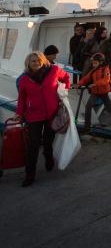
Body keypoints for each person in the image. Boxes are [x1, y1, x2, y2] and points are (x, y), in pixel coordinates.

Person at [16, 51, 71, 187]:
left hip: (52, 114)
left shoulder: (54, 70)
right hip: (33, 115)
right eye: (33, 61)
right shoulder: (24, 79)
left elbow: (66, 78)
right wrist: (18, 113)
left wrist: (65, 90)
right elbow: (22, 99)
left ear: (43, 60)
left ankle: (48, 157)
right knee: (33, 145)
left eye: (38, 60)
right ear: (28, 63)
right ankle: (30, 175)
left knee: (48, 141)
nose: (36, 63)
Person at [73, 53, 111, 132]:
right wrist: (79, 84)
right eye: (93, 63)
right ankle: (87, 127)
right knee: (88, 106)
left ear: (101, 62)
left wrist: (95, 84)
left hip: (105, 92)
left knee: (110, 107)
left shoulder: (106, 69)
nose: (93, 65)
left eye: (95, 63)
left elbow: (106, 80)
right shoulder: (93, 71)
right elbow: (86, 78)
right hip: (95, 92)